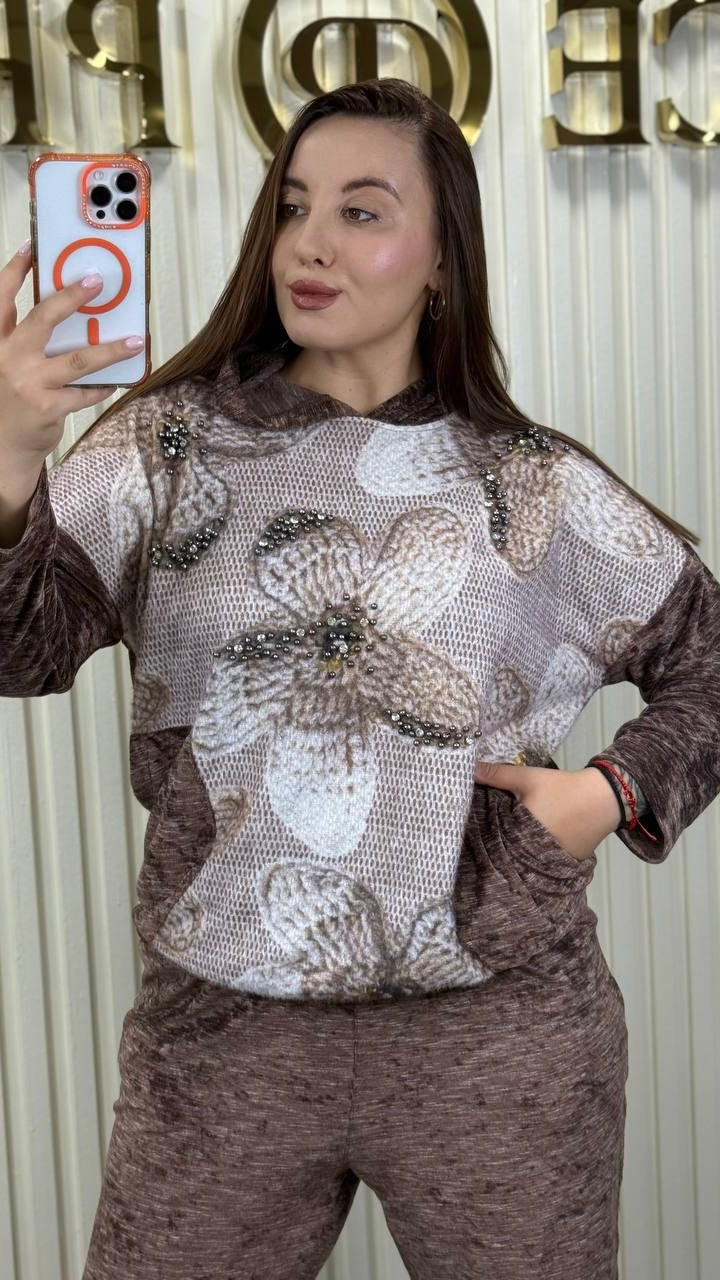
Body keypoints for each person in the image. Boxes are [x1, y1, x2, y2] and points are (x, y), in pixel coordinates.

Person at [1, 78, 718, 1280]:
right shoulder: (164, 447)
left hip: (493, 1033)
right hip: (222, 1036)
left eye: (361, 210)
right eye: (292, 206)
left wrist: (606, 794)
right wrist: (10, 458)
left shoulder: (530, 482)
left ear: (442, 259)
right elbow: (20, 650)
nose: (310, 243)